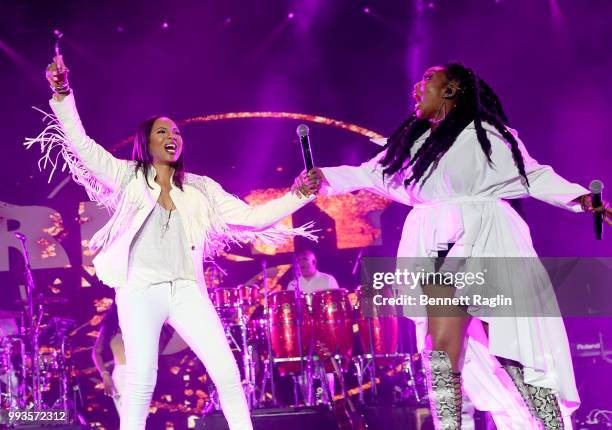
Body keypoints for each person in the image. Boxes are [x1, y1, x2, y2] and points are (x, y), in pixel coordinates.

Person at [299, 63, 612, 429]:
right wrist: (324, 178)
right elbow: (370, 173)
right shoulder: (412, 143)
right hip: (437, 250)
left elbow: (534, 175)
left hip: (488, 241)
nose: (418, 87)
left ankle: (551, 424)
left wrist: (583, 199)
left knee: (513, 349)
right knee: (441, 353)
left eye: (428, 79)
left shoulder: (488, 134)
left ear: (451, 90)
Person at [32, 55, 320, 430]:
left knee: (228, 373)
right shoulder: (127, 176)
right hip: (140, 291)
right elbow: (83, 146)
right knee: (140, 381)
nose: (173, 138)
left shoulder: (200, 188)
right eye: (163, 133)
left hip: (186, 290)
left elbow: (252, 218)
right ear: (147, 143)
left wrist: (297, 196)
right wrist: (62, 93)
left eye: (177, 133)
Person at [92, 302, 125, 415]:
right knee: (129, 418)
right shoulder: (110, 327)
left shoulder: (140, 323)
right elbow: (96, 352)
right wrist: (105, 376)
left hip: (142, 372)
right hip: (122, 376)